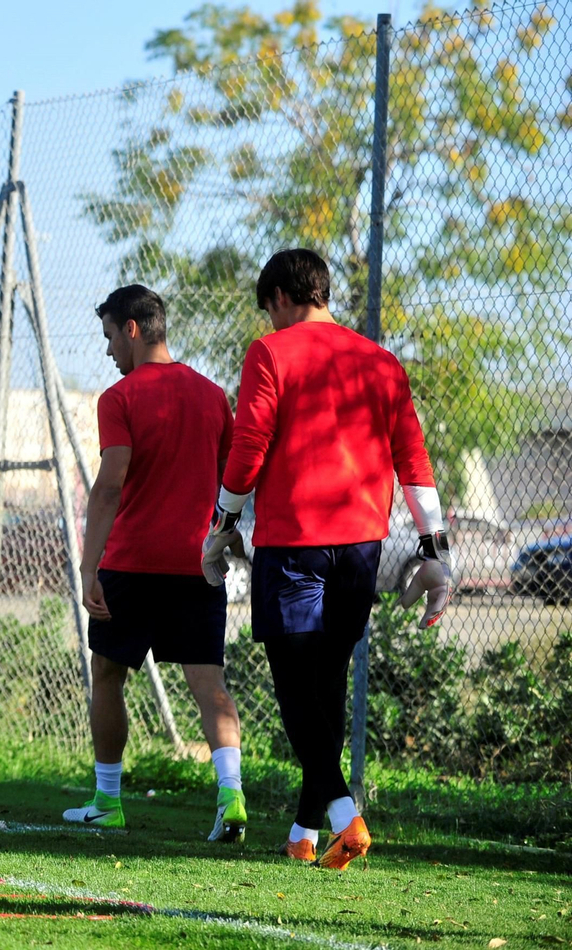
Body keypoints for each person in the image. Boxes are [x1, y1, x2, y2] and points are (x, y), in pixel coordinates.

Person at [203, 249, 451, 870]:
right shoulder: (382, 361)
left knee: (293, 682)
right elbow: (412, 458)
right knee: (328, 683)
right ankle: (304, 833)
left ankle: (344, 814)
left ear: (283, 297)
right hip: (362, 544)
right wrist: (434, 547)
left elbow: (250, 441)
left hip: (294, 541)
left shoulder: (271, 353)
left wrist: (223, 520)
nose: (270, 322)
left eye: (269, 309)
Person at [62, 285, 248, 841]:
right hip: (197, 566)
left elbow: (108, 486)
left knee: (107, 676)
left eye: (109, 337)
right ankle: (232, 797)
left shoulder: (119, 398)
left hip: (133, 563)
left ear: (133, 330)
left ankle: (107, 801)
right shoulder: (214, 396)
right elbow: (230, 481)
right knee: (209, 684)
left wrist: (88, 566)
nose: (109, 351)